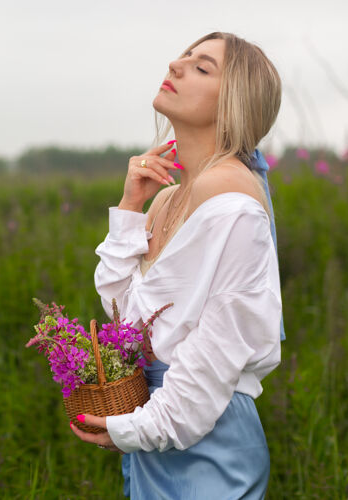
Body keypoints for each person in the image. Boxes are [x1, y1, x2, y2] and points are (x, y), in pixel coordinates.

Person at [68, 32, 285, 499]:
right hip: (156, 431)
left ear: (235, 103)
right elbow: (123, 317)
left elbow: (214, 358)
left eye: (202, 67)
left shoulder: (231, 198)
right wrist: (129, 207)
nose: (176, 64)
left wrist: (137, 429)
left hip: (207, 441)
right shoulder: (167, 197)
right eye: (184, 56)